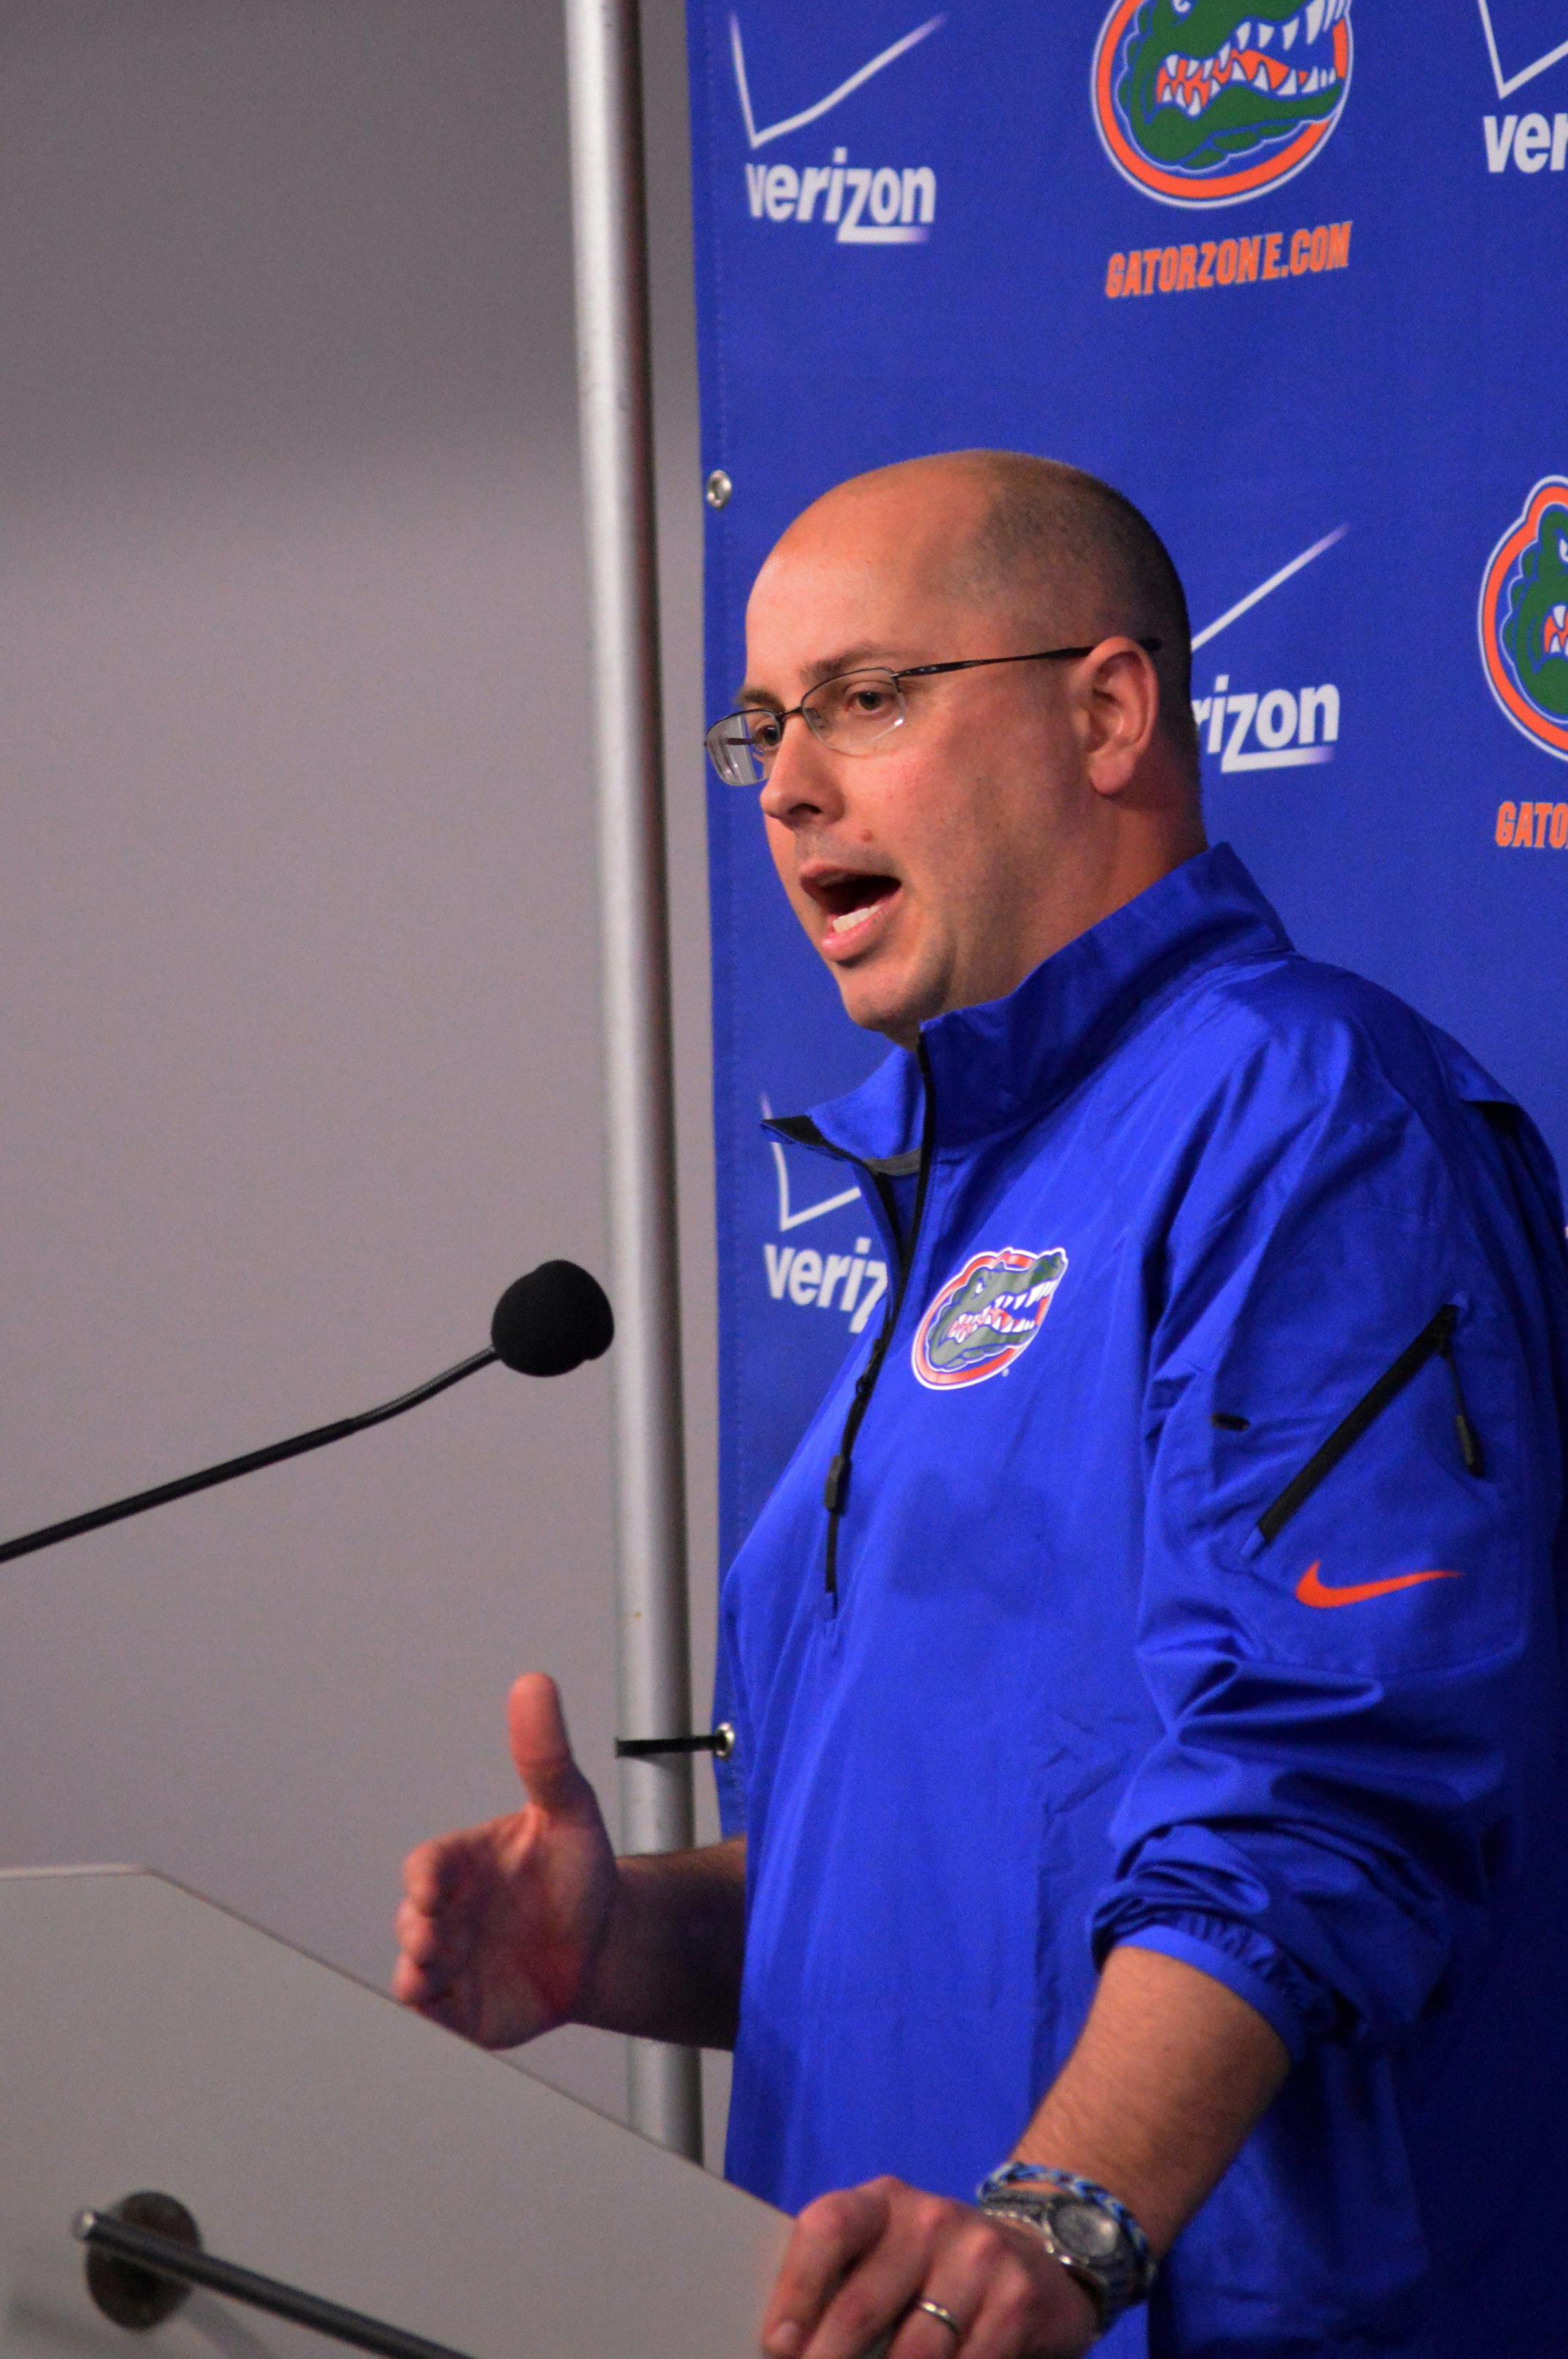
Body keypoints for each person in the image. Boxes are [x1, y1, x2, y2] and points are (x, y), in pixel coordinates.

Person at [393, 452, 1568, 2358]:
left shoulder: (1305, 1115)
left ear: (1108, 710)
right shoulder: (963, 1209)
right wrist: (625, 1939)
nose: (786, 787)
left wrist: (1065, 2208)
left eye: (866, 700)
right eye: (761, 726)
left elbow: (1333, 1772)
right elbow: (970, 1885)